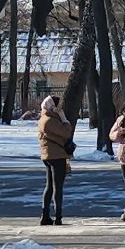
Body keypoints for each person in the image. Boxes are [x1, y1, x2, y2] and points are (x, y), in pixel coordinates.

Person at [37, 95, 74, 226]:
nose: (59, 109)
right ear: (52, 107)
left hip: (48, 156)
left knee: (49, 186)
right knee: (58, 187)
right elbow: (66, 132)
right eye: (58, 107)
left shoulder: (43, 119)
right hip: (57, 156)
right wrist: (64, 118)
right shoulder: (50, 120)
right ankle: (58, 217)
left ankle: (45, 215)